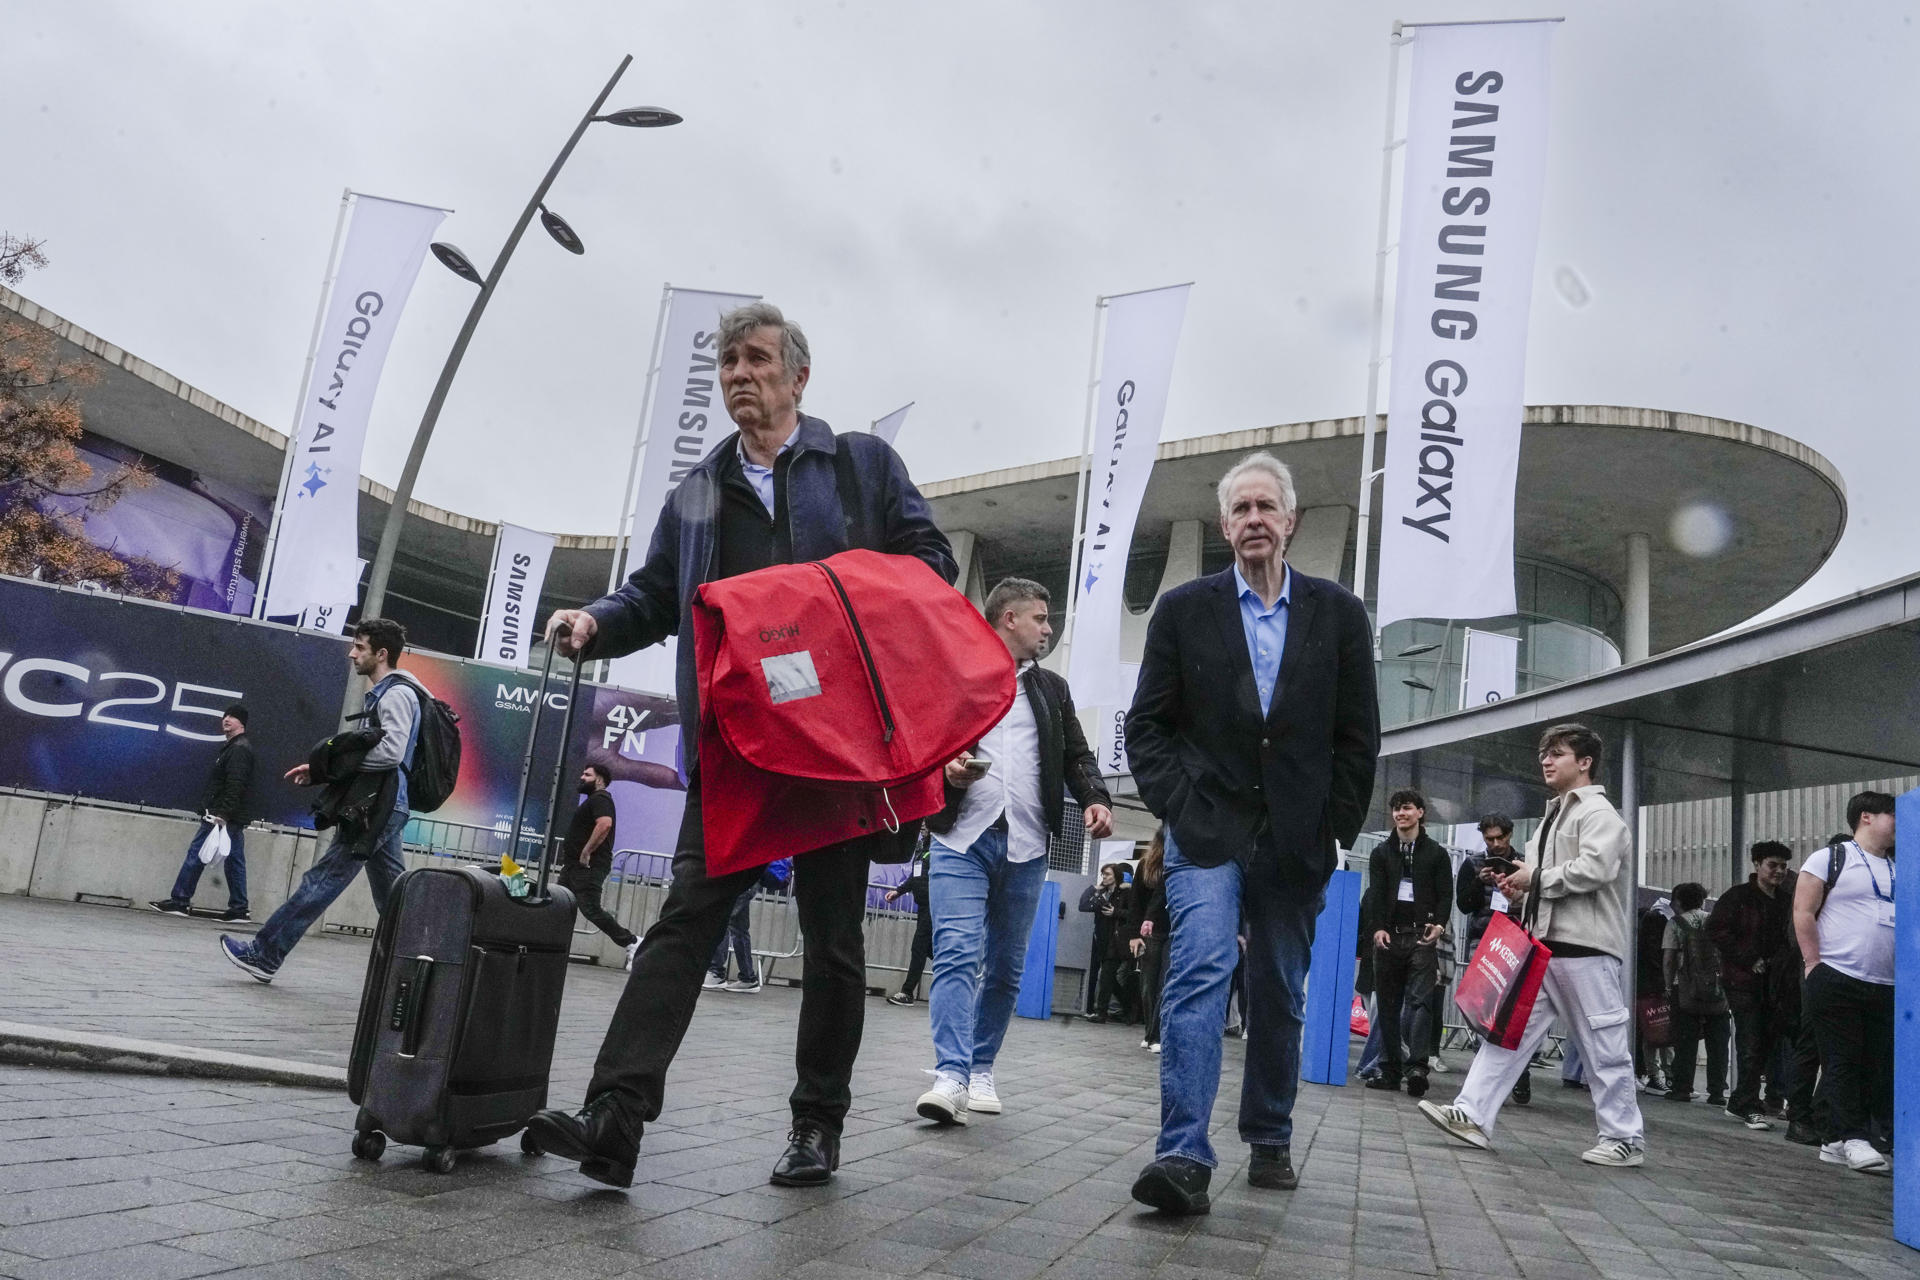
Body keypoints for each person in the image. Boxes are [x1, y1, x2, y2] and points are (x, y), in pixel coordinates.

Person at [526, 303, 955, 1190]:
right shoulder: (696, 489)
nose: (737, 376)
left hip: (836, 745)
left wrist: (843, 606)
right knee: (686, 923)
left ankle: (815, 1126)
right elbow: (650, 596)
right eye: (727, 362)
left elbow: (929, 561)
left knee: (833, 938)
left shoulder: (862, 465)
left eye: (756, 360)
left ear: (799, 377)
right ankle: (616, 1117)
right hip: (736, 746)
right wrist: (589, 621)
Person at [1124, 451, 1379, 1214]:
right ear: (1226, 525)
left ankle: (1269, 1134)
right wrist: (1177, 803)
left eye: (1268, 507)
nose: (1255, 520)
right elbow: (1148, 727)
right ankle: (1182, 1155)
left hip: (1297, 838)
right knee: (1198, 970)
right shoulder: (1183, 610)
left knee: (1278, 992)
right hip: (1208, 830)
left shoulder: (1337, 615)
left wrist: (1333, 827)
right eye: (1242, 509)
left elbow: (1358, 737)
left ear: (1291, 521)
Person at [913, 576, 1113, 1124]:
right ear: (1009, 620)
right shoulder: (956, 676)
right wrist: (945, 769)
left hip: (1027, 845)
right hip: (961, 838)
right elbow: (922, 745)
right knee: (955, 951)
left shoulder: (1052, 690)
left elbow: (1076, 755)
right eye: (1041, 618)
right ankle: (950, 1074)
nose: (1048, 629)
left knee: (1005, 968)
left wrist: (1095, 798)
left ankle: (981, 1068)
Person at [1418, 723, 1648, 1169]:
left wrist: (1534, 877)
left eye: (1557, 753)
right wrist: (1518, 883)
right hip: (1544, 947)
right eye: (1545, 752)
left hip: (1585, 948)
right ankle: (1472, 1114)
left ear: (1584, 762)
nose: (1546, 760)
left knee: (1604, 1046)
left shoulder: (1598, 813)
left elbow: (1594, 870)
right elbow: (1556, 878)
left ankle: (1625, 1138)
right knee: (1508, 1032)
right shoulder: (1554, 816)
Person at [219, 619, 428, 983]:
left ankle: (265, 954)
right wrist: (320, 770)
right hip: (386, 804)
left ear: (381, 654)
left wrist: (329, 767)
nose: (352, 653)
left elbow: (392, 753)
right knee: (394, 897)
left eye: (360, 647)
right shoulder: (393, 692)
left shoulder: (396, 694)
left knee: (322, 879)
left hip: (377, 806)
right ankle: (424, 965)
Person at [1793, 792, 1896, 1175]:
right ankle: (1854, 1137)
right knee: (1842, 1059)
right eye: (1892, 814)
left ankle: (1835, 1140)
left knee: (1874, 1063)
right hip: (1837, 975)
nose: (1898, 821)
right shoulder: (1831, 858)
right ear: (1866, 817)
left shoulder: (1899, 866)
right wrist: (1813, 964)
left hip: (1885, 982)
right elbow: (1803, 911)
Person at [1365, 789, 1452, 1099]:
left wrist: (1439, 925)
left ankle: (1416, 1068)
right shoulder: (1381, 853)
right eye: (1396, 810)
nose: (1400, 814)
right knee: (1387, 1004)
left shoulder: (1437, 854)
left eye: (1406, 809)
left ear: (1420, 812)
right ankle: (1389, 1070)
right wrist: (1377, 929)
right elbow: (1375, 894)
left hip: (1421, 936)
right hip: (1389, 936)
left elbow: (1445, 894)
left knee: (1420, 1003)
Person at [1706, 841, 1797, 1128]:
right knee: (1751, 1042)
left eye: (1783, 866)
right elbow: (1716, 929)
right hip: (1743, 982)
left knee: (1768, 1044)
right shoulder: (1738, 897)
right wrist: (1748, 958)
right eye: (1773, 865)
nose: (1779, 871)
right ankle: (1749, 1104)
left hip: (1775, 983)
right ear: (1757, 865)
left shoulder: (1785, 900)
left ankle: (1739, 1101)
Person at [150, 704, 257, 922]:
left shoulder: (239, 750)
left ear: (241, 723)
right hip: (229, 815)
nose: (226, 719)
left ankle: (180, 901)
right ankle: (239, 908)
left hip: (222, 815)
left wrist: (223, 814)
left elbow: (236, 784)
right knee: (234, 860)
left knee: (197, 854)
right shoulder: (236, 748)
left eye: (233, 717)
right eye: (225, 715)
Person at [557, 763, 639, 970]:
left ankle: (633, 942)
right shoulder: (593, 801)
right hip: (573, 866)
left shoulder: (601, 798)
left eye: (587, 774)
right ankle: (554, 948)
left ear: (599, 779)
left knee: (590, 909)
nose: (582, 777)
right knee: (560, 905)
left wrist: (586, 851)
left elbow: (605, 824)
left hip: (588, 866)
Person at [1662, 882, 1733, 1111]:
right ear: (1702, 900)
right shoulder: (1714, 920)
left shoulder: (1676, 923)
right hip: (1717, 990)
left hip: (1684, 990)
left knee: (1685, 1040)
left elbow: (1669, 959)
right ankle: (1717, 1092)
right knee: (1718, 1042)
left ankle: (1682, 1088)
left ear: (1679, 901)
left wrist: (1668, 985)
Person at [1130, 828, 1170, 1054]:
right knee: (1148, 985)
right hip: (1151, 930)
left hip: (1171, 929)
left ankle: (1155, 1035)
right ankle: (1150, 1032)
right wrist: (1135, 934)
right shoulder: (1146, 867)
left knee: (1163, 983)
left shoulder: (1177, 865)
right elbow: (1136, 902)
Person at [1456, 813, 1517, 951]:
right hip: (1482, 938)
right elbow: (1463, 906)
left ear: (1510, 834)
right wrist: (1479, 882)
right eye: (1489, 839)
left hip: (1515, 939)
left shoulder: (1522, 862)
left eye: (1500, 837)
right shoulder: (1472, 863)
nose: (1496, 844)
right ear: (1483, 837)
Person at [885, 845, 932, 1006]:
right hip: (924, 907)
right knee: (933, 950)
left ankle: (907, 992)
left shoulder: (940, 849)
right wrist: (898, 891)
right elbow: (915, 877)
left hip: (934, 907)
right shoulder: (922, 852)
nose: (924, 826)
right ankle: (960, 986)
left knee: (919, 947)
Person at [1079, 863, 1127, 1019]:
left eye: (1108, 874)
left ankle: (1101, 1012)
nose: (1104, 877)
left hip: (1116, 941)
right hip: (1101, 940)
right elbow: (1083, 905)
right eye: (1103, 874)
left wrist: (1115, 912)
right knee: (1109, 978)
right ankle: (1131, 1005)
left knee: (1106, 976)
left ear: (1116, 876)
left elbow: (1133, 913)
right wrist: (1093, 888)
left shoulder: (1124, 893)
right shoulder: (1102, 894)